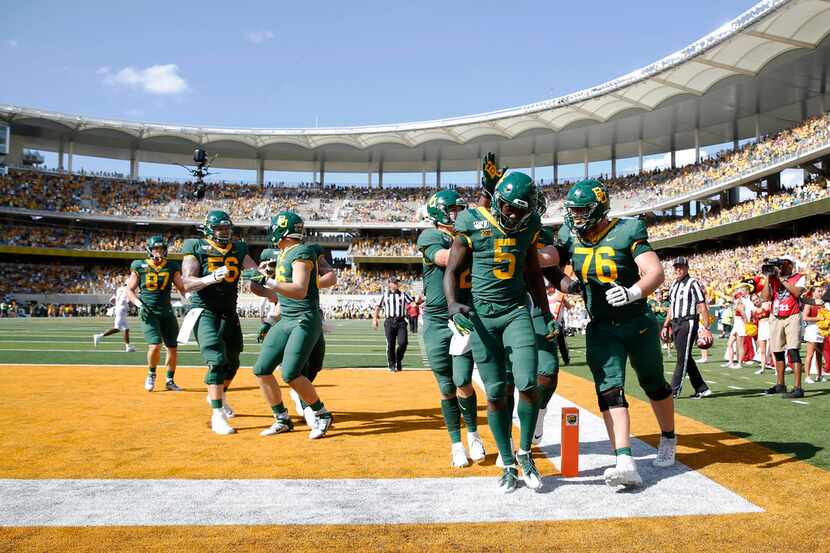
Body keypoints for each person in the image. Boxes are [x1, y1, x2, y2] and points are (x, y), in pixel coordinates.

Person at [555, 178, 676, 489]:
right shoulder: (570, 234)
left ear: (599, 209)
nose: (576, 219)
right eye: (574, 212)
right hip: (601, 326)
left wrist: (633, 292)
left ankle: (668, 436)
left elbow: (655, 272)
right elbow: (547, 262)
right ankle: (624, 460)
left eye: (583, 212)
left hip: (637, 322)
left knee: (653, 384)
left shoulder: (628, 230)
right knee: (610, 390)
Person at [445, 172, 555, 493]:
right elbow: (452, 269)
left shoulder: (530, 225)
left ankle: (525, 454)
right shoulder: (472, 221)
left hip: (516, 312)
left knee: (527, 382)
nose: (513, 215)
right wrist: (453, 305)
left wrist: (545, 314)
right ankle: (508, 463)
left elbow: (534, 273)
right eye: (509, 208)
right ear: (497, 202)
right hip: (482, 317)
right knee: (494, 393)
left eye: (521, 211)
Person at [251, 211, 335, 439]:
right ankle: (281, 418)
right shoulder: (284, 253)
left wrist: (268, 281)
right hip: (287, 318)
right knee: (261, 370)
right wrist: (269, 321)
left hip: (304, 319)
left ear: (281, 230)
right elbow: (282, 296)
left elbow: (299, 290)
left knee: (290, 373)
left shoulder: (301, 252)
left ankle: (322, 413)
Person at [417, 189, 486, 467]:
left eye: (461, 209)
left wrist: (483, 204)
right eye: (453, 210)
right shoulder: (431, 236)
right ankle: (455, 443)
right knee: (446, 386)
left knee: (463, 381)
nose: (458, 214)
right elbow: (446, 258)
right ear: (438, 213)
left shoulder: (467, 234)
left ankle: (473, 435)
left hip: (462, 316)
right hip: (436, 320)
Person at [180, 210, 262, 435]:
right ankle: (217, 415)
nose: (224, 232)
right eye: (220, 228)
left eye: (227, 228)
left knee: (233, 360)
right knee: (216, 359)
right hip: (204, 310)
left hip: (229, 311)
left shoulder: (239, 248)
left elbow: (253, 272)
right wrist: (208, 278)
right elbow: (186, 282)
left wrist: (265, 274)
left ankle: (218, 395)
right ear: (209, 229)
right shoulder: (195, 246)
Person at [126, 236, 187, 392]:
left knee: (172, 348)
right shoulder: (139, 265)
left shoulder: (172, 265)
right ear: (149, 250)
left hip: (167, 312)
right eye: (155, 249)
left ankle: (170, 380)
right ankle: (151, 374)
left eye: (160, 248)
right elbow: (129, 290)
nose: (158, 251)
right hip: (149, 312)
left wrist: (190, 301)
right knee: (155, 345)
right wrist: (139, 305)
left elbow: (181, 287)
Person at [661, 256, 713, 399]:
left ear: (686, 268)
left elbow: (702, 306)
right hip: (676, 322)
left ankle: (673, 390)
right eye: (675, 267)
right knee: (685, 357)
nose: (678, 269)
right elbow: (671, 307)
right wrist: (666, 325)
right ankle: (702, 388)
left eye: (680, 267)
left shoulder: (693, 283)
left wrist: (706, 327)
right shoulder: (673, 285)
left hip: (688, 322)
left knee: (682, 357)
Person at [761, 255, 806, 398]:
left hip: (792, 315)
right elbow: (766, 297)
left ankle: (798, 387)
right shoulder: (773, 278)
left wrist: (782, 280)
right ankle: (780, 384)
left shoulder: (799, 277)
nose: (780, 267)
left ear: (790, 265)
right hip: (776, 316)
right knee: (777, 351)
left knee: (793, 351)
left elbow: (797, 293)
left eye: (783, 264)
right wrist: (768, 278)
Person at [373, 277, 417, 372]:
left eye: (397, 282)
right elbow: (377, 307)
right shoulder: (385, 295)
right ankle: (392, 364)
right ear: (390, 284)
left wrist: (415, 304)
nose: (397, 284)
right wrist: (375, 319)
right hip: (389, 321)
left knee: (403, 343)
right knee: (390, 344)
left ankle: (398, 360)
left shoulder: (403, 294)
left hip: (401, 321)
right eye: (394, 282)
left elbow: (412, 303)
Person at [93, 276, 135, 352]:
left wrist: (118, 305)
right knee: (117, 328)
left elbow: (112, 300)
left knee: (126, 329)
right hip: (122, 310)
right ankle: (99, 336)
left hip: (119, 309)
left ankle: (128, 347)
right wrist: (132, 307)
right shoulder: (128, 290)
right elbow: (130, 301)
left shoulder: (119, 289)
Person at [802, 285, 824, 384]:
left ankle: (819, 375)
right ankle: (807, 376)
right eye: (819, 291)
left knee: (819, 354)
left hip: (822, 329)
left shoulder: (824, 303)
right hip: (812, 329)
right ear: (813, 292)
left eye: (821, 291)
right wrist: (818, 319)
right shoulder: (809, 303)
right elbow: (805, 317)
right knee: (810, 354)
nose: (821, 293)